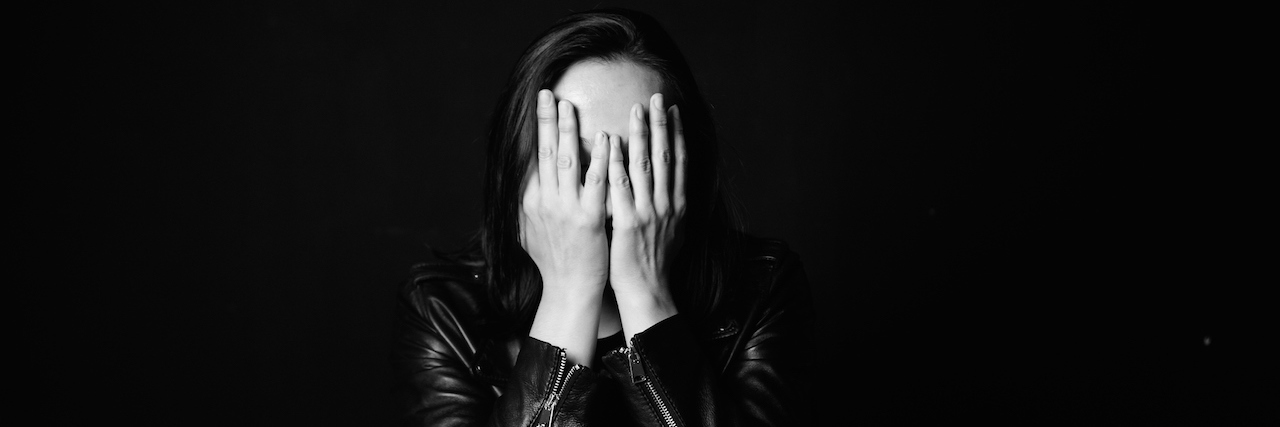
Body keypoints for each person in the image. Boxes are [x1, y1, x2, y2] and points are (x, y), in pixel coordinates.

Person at [393, 8, 815, 426]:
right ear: (519, 169)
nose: (607, 201)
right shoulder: (445, 313)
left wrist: (645, 291)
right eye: (573, 163)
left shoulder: (762, 291)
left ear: (685, 165)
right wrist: (569, 292)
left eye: (638, 162)